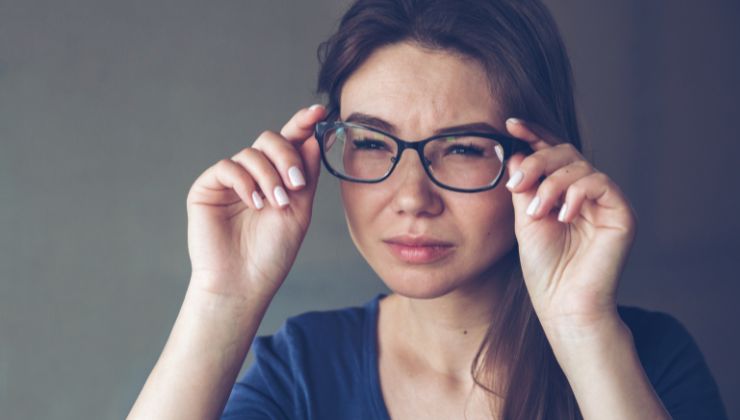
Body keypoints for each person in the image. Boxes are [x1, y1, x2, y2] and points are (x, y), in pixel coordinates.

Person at [128, 0, 727, 419]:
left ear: (542, 159)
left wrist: (581, 327)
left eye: (464, 149)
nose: (412, 198)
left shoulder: (646, 360)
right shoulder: (302, 373)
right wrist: (220, 299)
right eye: (369, 142)